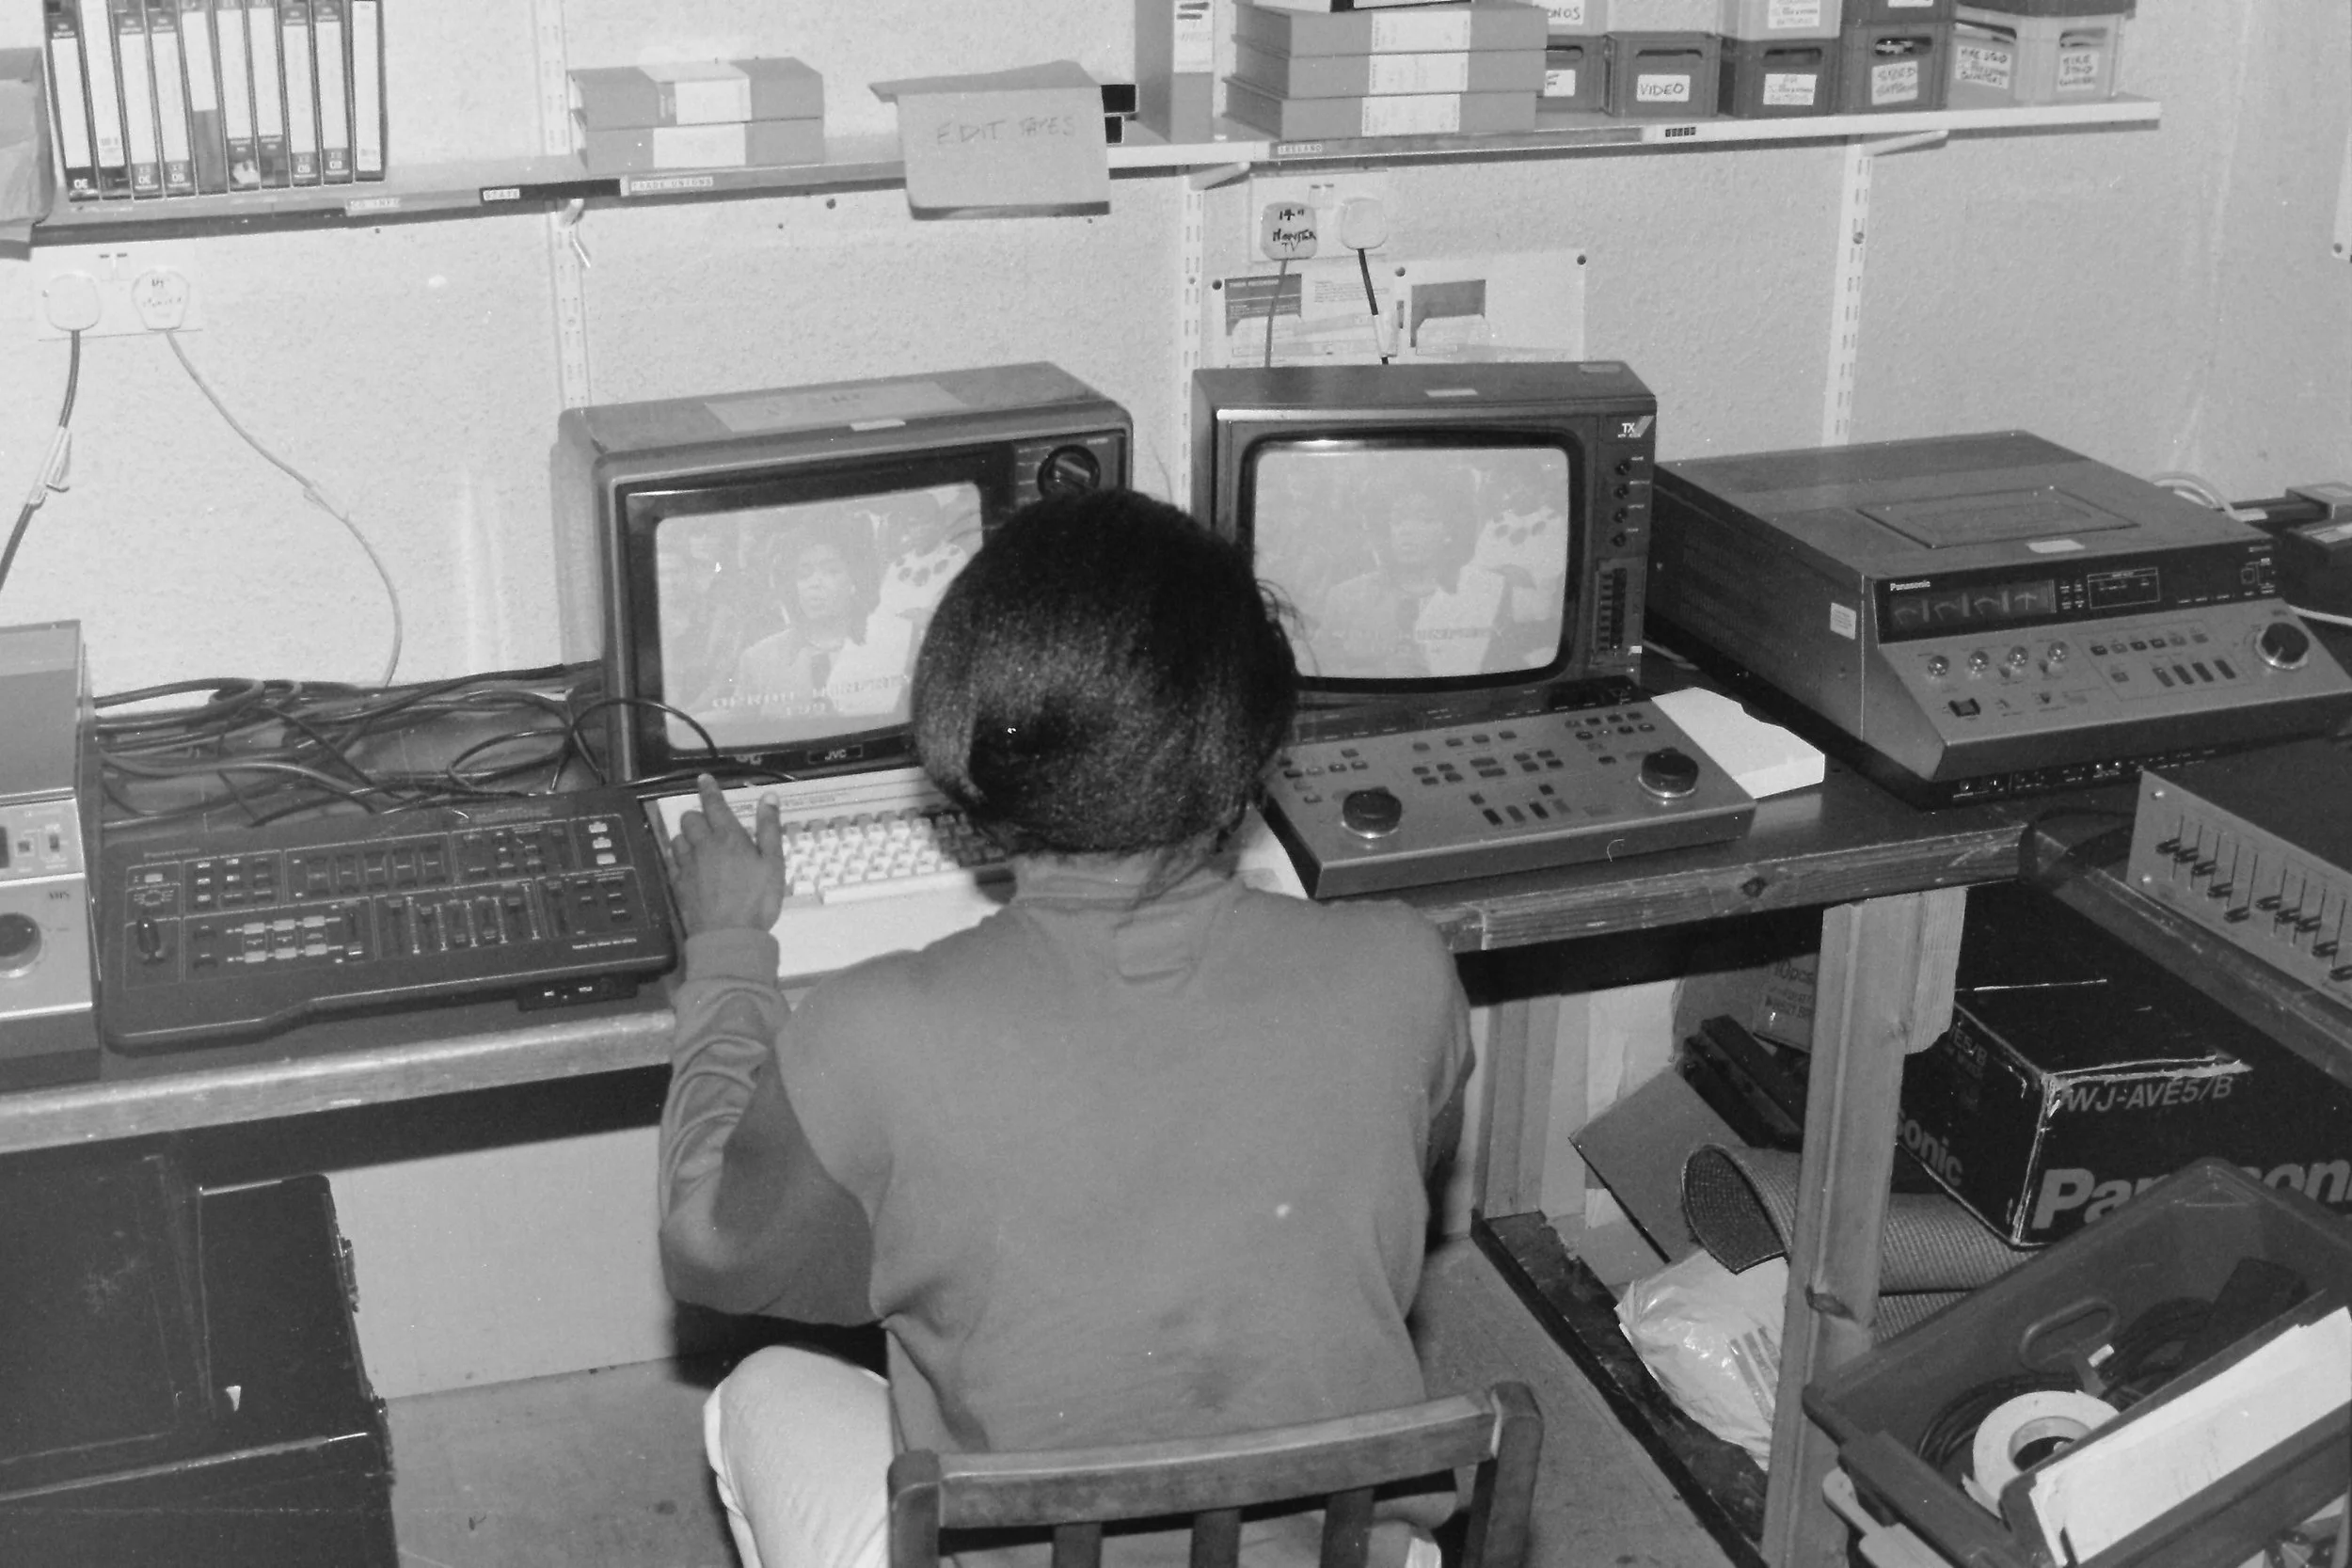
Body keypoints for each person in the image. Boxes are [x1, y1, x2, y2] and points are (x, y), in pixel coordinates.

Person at [657, 488, 1475, 1568]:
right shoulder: (1404, 964)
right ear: (1251, 732)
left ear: (964, 737)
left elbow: (716, 1254)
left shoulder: (870, 1030)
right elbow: (1382, 1173)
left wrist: (725, 956)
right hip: (1348, 1553)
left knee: (760, 1386)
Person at [1314, 478, 1511, 679]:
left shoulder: (1486, 591)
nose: (1407, 531)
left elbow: (1505, 668)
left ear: (1451, 529)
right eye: (1397, 520)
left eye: (1425, 519)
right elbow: (1318, 667)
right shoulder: (1345, 597)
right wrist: (1380, 673)